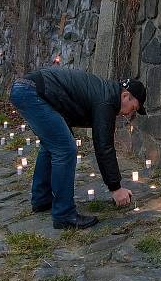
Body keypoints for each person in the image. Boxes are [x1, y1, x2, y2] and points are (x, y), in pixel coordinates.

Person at [9, 67, 146, 229]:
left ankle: (42, 199)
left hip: (28, 90)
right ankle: (64, 215)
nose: (129, 114)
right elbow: (104, 146)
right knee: (65, 149)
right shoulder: (107, 101)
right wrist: (115, 188)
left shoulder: (106, 94)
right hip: (32, 92)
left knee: (52, 145)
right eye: (133, 108)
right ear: (125, 96)